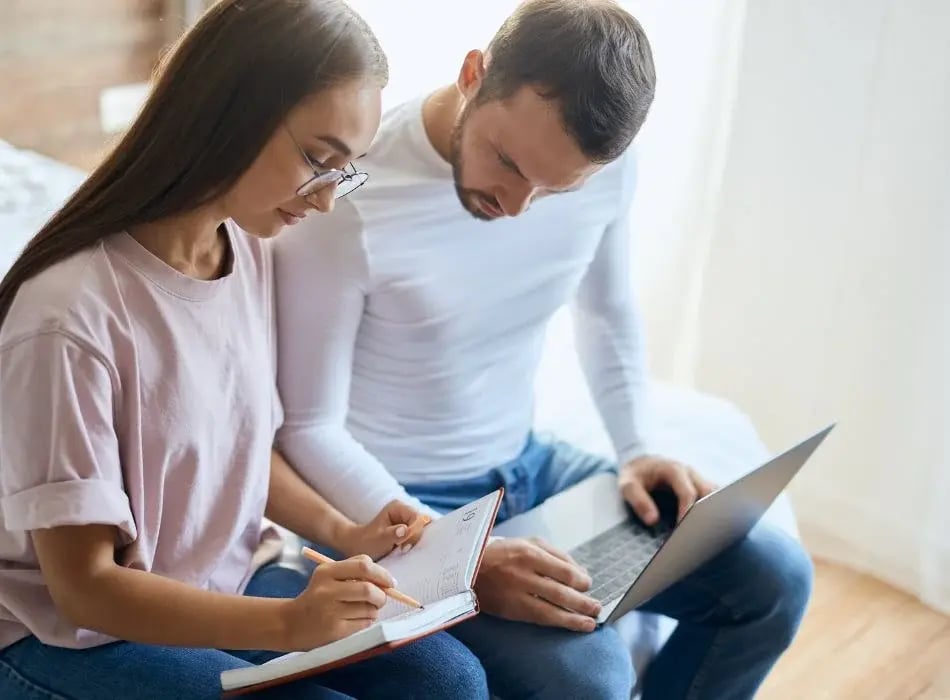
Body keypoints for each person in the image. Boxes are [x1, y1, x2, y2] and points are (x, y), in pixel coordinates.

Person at [273, 0, 815, 698]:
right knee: (590, 681)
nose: (520, 204)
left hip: (530, 464)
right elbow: (307, 427)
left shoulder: (603, 166)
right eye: (508, 162)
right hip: (406, 503)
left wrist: (637, 449)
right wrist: (452, 554)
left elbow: (607, 311)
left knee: (775, 581)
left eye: (557, 187)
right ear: (474, 73)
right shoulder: (349, 200)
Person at [0, 2, 490, 699]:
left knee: (451, 682)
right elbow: (85, 590)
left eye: (345, 170)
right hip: (71, 634)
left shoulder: (244, 248)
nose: (324, 201)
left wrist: (344, 530)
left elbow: (230, 446)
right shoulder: (68, 316)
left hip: (223, 574)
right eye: (320, 160)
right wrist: (290, 623)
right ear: (226, 111)